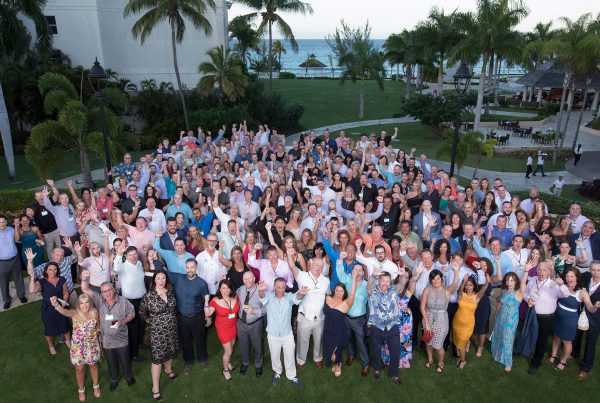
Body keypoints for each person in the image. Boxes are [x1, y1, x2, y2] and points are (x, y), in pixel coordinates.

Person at [80, 269, 136, 391]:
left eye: (109, 290)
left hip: (121, 339)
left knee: (125, 360)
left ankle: (128, 376)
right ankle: (114, 379)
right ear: (101, 293)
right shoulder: (99, 300)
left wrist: (123, 321)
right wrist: (84, 279)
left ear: (114, 289)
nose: (107, 293)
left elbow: (132, 313)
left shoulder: (123, 301)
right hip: (106, 340)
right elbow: (85, 289)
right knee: (111, 362)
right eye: (104, 291)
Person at [51, 293, 101, 401]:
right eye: (82, 303)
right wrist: (56, 304)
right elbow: (64, 312)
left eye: (87, 302)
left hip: (91, 345)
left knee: (93, 365)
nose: (85, 305)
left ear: (90, 303)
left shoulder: (95, 312)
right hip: (78, 347)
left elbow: (98, 326)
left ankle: (96, 386)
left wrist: (96, 332)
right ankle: (81, 390)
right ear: (78, 304)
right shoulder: (75, 313)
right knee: (79, 369)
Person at [259, 278, 308, 387]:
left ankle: (292, 375)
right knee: (275, 355)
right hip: (273, 334)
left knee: (290, 355)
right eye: (278, 287)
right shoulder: (269, 296)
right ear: (274, 287)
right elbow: (262, 296)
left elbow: (297, 297)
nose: (280, 290)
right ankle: (277, 372)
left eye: (283, 287)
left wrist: (302, 293)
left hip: (287, 333)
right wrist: (261, 290)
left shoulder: (289, 297)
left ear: (285, 287)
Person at [166, 258, 211, 375]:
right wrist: (155, 260)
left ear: (196, 268)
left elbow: (206, 302)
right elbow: (163, 271)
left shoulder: (202, 283)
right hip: (182, 317)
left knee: (200, 339)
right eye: (187, 267)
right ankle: (188, 361)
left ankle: (202, 359)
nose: (189, 270)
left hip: (197, 317)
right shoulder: (178, 278)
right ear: (185, 268)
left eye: (192, 267)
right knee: (185, 341)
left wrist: (208, 317)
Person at [139, 270, 179, 401]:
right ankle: (155, 388)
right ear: (154, 280)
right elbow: (142, 312)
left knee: (170, 352)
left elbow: (174, 309)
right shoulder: (149, 296)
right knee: (157, 359)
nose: (161, 281)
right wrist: (150, 320)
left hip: (172, 330)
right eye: (158, 278)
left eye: (163, 278)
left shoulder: (170, 292)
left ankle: (168, 370)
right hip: (157, 333)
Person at [525, 261, 570, 375]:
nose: (541, 272)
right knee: (529, 334)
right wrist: (528, 299)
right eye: (539, 269)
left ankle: (536, 363)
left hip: (546, 318)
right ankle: (526, 351)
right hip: (532, 314)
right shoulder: (532, 280)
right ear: (536, 270)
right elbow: (525, 293)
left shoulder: (553, 284)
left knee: (541, 340)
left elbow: (565, 294)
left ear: (549, 272)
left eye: (544, 270)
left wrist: (562, 284)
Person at [549, 267, 599, 371]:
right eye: (567, 276)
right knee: (556, 336)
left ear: (577, 277)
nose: (569, 278)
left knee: (567, 342)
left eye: (572, 276)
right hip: (557, 317)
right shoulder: (562, 285)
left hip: (569, 321)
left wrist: (595, 306)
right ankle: (553, 355)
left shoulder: (582, 292)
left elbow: (590, 308)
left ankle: (563, 361)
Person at [26, 249, 71, 354]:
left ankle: (68, 341)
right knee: (49, 329)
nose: (52, 272)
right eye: (50, 270)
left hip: (60, 307)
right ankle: (51, 346)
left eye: (55, 269)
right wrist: (32, 277)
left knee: (65, 326)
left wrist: (64, 302)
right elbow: (32, 290)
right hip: (48, 309)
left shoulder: (62, 279)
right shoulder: (42, 282)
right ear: (46, 271)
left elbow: (65, 292)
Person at [366, 267, 406, 385]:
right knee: (376, 350)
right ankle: (377, 369)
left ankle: (393, 374)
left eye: (387, 281)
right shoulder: (372, 290)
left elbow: (402, 284)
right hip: (376, 327)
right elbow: (369, 284)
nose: (385, 283)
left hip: (392, 327)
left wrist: (402, 275)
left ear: (390, 281)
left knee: (395, 352)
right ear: (379, 280)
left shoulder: (394, 289)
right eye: (383, 280)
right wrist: (373, 275)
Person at [289, 255, 330, 370]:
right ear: (311, 265)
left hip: (320, 317)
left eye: (321, 266)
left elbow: (328, 295)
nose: (319, 268)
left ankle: (318, 358)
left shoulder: (326, 281)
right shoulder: (302, 276)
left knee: (318, 340)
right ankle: (300, 359)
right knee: (302, 340)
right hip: (304, 316)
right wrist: (288, 253)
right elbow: (292, 266)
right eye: (317, 265)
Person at [420, 261, 460, 374]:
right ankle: (430, 359)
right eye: (433, 279)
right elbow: (422, 307)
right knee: (428, 342)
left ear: (442, 279)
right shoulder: (427, 290)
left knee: (438, 345)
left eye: (438, 278)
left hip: (442, 319)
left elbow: (455, 283)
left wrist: (456, 271)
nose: (436, 281)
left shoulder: (447, 291)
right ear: (431, 280)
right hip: (428, 317)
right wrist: (427, 323)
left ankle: (441, 363)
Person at [491, 264, 530, 371]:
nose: (509, 282)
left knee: (507, 339)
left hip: (511, 319)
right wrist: (496, 314)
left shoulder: (519, 293)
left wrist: (526, 271)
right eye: (508, 280)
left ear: (516, 281)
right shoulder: (505, 291)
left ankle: (508, 363)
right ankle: (499, 355)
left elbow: (523, 284)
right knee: (499, 335)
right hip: (501, 317)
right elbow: (500, 303)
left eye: (511, 280)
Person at [323, 258, 358, 377]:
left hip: (338, 331)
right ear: (334, 290)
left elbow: (352, 294)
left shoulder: (345, 304)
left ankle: (337, 364)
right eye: (337, 290)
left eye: (341, 291)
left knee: (333, 350)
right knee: (329, 350)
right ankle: (337, 362)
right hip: (327, 329)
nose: (338, 293)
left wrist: (354, 279)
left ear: (344, 293)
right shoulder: (327, 298)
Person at [113, 245, 147, 363]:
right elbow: (116, 268)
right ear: (126, 256)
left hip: (141, 300)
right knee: (133, 327)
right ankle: (133, 354)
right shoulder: (122, 267)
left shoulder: (139, 264)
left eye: (135, 254)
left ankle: (139, 343)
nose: (133, 257)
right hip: (129, 302)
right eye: (130, 255)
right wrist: (119, 254)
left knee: (141, 324)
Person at [452, 271, 490, 369]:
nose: (468, 287)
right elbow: (460, 290)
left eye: (470, 285)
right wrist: (463, 282)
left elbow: (483, 291)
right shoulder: (461, 294)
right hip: (457, 322)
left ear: (474, 286)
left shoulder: (476, 297)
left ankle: (463, 360)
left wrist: (487, 282)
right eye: (467, 285)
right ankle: (460, 357)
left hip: (468, 325)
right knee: (457, 341)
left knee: (461, 344)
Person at [206, 279, 239, 381]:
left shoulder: (235, 296)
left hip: (233, 326)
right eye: (223, 288)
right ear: (220, 289)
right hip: (222, 328)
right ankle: (225, 370)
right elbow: (207, 313)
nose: (226, 290)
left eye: (228, 288)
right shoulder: (215, 300)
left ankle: (228, 362)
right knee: (229, 351)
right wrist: (206, 301)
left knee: (231, 346)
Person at [236, 271, 266, 376]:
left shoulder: (261, 291)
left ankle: (258, 364)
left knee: (257, 345)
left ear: (254, 278)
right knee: (243, 345)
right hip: (241, 323)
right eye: (245, 279)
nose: (247, 281)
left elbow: (266, 309)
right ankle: (245, 362)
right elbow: (231, 297)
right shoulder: (240, 289)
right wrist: (224, 283)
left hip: (255, 324)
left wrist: (254, 311)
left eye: (249, 278)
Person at [576, 261, 600, 381]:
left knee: (591, 342)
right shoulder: (586, 276)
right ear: (590, 269)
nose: (596, 273)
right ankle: (574, 353)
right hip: (581, 313)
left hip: (596, 318)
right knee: (577, 335)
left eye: (599, 270)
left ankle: (585, 368)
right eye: (593, 270)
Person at [0, 215, 27, 309]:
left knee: (18, 277)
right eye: (0, 222)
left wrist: (16, 227)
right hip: (2, 262)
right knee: (3, 281)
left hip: (15, 259)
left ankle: (21, 295)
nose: (1, 224)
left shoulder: (10, 230)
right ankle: (7, 300)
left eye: (3, 221)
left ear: (6, 222)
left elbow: (17, 239)